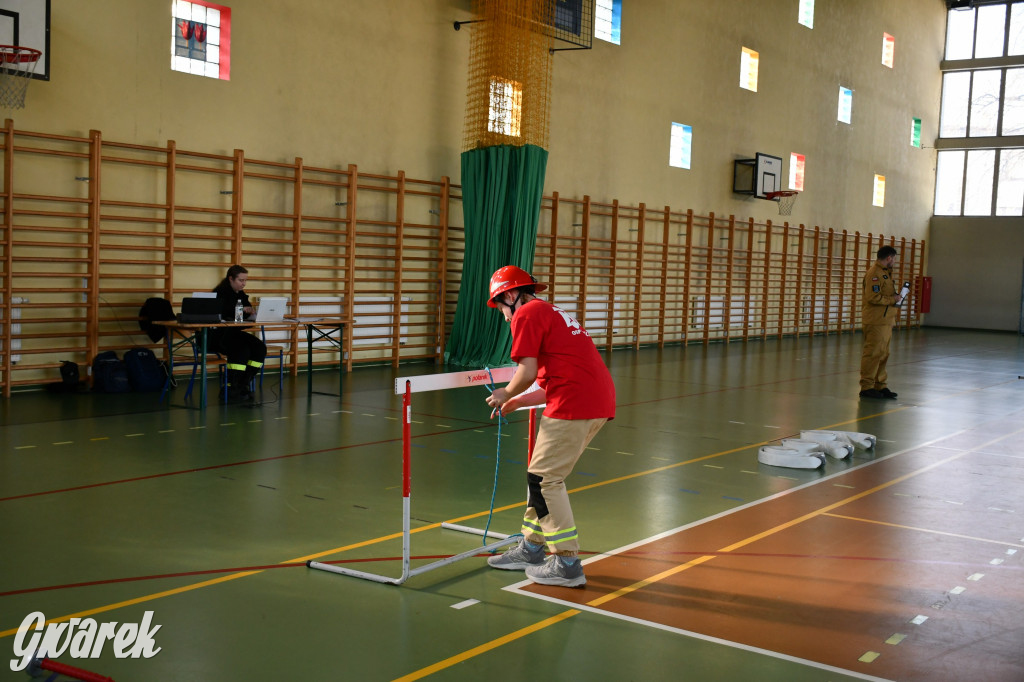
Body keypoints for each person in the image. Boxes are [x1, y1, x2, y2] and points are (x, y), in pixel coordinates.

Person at [483, 265, 616, 587]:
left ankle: (566, 562)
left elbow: (526, 372)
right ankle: (532, 547)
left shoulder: (527, 314)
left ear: (512, 295)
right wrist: (518, 401)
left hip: (574, 403)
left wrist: (505, 392)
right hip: (593, 400)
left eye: (501, 307)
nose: (504, 316)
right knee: (540, 477)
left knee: (544, 480)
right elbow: (550, 382)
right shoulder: (550, 312)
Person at [210, 264, 267, 401]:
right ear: (231, 279)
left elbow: (244, 317)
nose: (244, 283)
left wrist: (250, 313)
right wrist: (242, 312)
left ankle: (243, 384)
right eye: (241, 280)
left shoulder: (241, 294)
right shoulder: (219, 293)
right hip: (219, 335)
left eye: (245, 280)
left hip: (233, 333)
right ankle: (232, 386)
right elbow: (224, 314)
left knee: (260, 348)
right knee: (241, 350)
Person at [859, 245, 900, 400]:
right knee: (873, 353)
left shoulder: (885, 273)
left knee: (883, 354)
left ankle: (880, 385)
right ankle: (867, 386)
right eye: (894, 259)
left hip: (885, 320)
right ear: (889, 258)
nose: (894, 261)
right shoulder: (874, 274)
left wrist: (896, 296)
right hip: (875, 320)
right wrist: (892, 300)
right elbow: (873, 297)